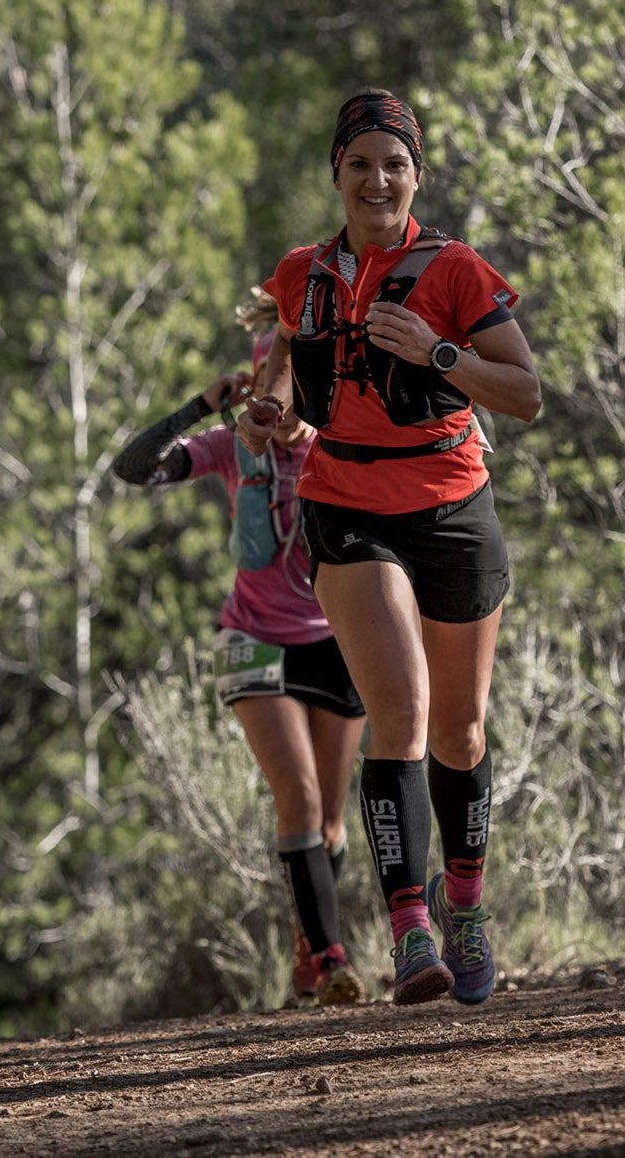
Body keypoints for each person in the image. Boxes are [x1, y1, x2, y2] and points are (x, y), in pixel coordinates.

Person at [236, 88, 539, 1006]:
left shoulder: (453, 271)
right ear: (336, 171)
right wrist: (271, 415)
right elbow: (286, 374)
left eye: (394, 164)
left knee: (460, 727)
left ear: (418, 175)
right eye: (360, 163)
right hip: (348, 502)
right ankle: (410, 929)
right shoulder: (301, 272)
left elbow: (525, 393)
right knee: (400, 712)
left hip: (452, 503)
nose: (377, 179)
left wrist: (437, 354)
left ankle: (467, 905)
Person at [114, 313, 370, 1007]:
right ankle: (331, 955)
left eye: (290, 386)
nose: (276, 399)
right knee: (301, 797)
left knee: (331, 823)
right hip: (252, 637)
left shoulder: (338, 448)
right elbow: (132, 467)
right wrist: (201, 405)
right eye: (266, 383)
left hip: (334, 641)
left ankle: (305, 947)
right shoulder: (231, 447)